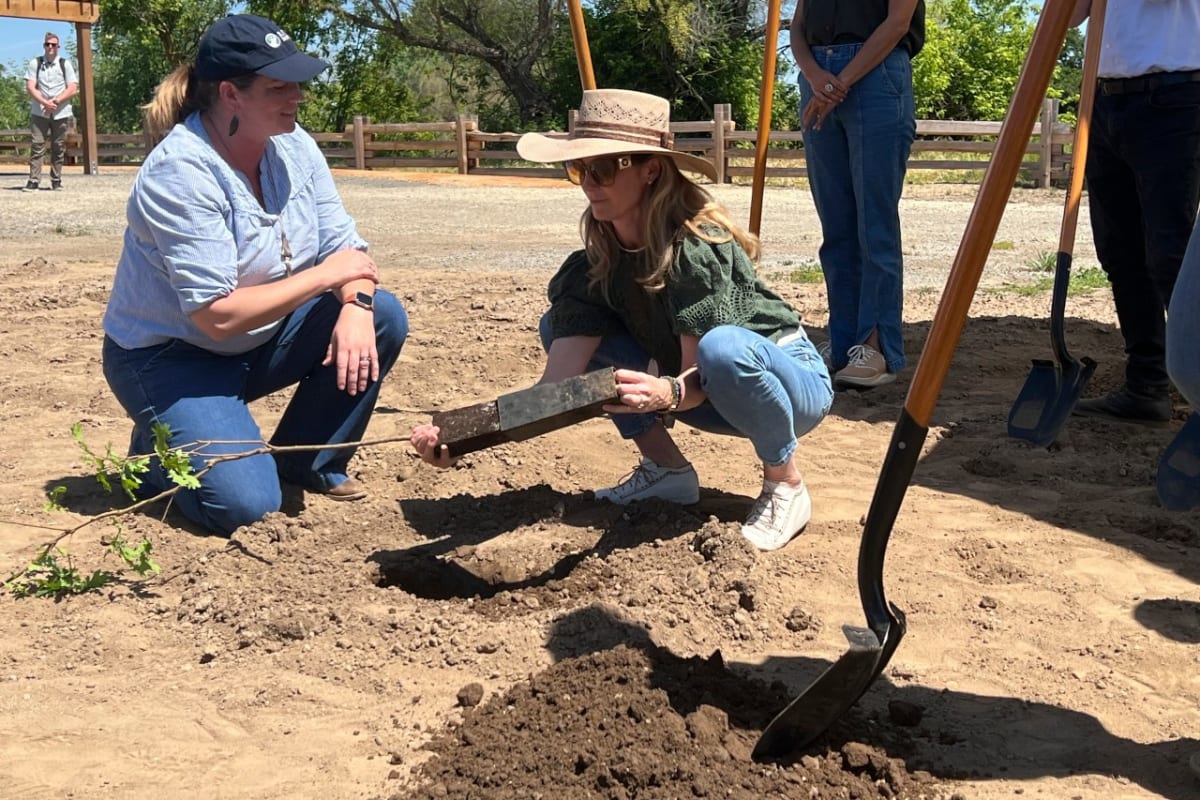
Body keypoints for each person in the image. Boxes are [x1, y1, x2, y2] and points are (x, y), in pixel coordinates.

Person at [411, 89, 833, 552]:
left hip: (787, 388)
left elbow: (696, 376)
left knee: (723, 349)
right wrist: (460, 436)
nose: (590, 182)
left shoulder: (697, 246)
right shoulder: (595, 265)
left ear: (651, 170)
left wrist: (667, 392)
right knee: (559, 329)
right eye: (580, 169)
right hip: (704, 390)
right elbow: (552, 393)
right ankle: (668, 472)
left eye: (605, 168)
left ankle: (785, 485)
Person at [101, 14, 408, 536]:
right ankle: (155, 456)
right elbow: (216, 315)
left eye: (297, 84)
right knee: (247, 506)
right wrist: (324, 278)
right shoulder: (181, 171)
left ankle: (308, 460)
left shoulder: (294, 146)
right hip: (172, 358)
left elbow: (345, 249)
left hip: (259, 339)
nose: (297, 97)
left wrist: (355, 306)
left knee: (382, 314)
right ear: (230, 94)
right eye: (278, 86)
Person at [1070, 0, 1200, 422]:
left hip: (1174, 94)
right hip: (1104, 97)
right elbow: (1070, 15)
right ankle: (1146, 384)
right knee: (1121, 254)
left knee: (1173, 255)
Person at [788, 0, 924, 388]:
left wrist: (840, 80)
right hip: (816, 78)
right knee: (836, 227)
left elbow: (898, 22)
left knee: (874, 225)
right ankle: (844, 340)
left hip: (876, 73)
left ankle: (876, 345)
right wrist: (815, 75)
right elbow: (798, 27)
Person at [24, 32, 78, 192]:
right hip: (39, 111)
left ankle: (56, 180)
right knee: (37, 145)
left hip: (60, 111)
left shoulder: (65, 64)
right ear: (44, 46)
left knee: (58, 146)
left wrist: (56, 101)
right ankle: (34, 180)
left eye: (53, 45)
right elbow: (30, 87)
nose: (50, 47)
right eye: (48, 44)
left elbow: (73, 88)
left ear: (58, 47)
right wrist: (44, 102)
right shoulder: (35, 63)